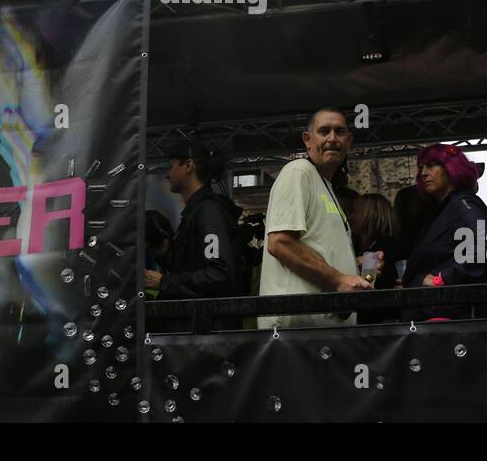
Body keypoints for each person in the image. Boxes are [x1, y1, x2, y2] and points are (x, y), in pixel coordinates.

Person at [258, 108, 377, 329]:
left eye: (339, 132)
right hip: (300, 335)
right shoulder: (298, 172)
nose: (332, 138)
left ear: (349, 141)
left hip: (320, 334)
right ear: (307, 140)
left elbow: (316, 244)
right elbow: (280, 243)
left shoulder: (324, 185)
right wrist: (339, 279)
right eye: (324, 131)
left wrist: (355, 267)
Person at [146, 143, 245, 329]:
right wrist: (164, 253)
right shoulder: (196, 212)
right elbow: (194, 266)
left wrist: (164, 282)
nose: (168, 174)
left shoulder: (208, 212)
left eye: (171, 166)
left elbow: (219, 273)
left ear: (189, 166)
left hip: (206, 332)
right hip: (196, 328)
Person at [400, 143, 487, 321]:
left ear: (451, 168)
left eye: (431, 165)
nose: (423, 173)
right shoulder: (444, 209)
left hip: (450, 321)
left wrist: (443, 279)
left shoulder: (461, 203)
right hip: (433, 317)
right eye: (421, 167)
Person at [350, 194, 400, 322]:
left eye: (354, 212)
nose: (350, 217)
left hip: (377, 321)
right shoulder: (355, 245)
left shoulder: (382, 247)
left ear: (370, 215)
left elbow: (368, 281)